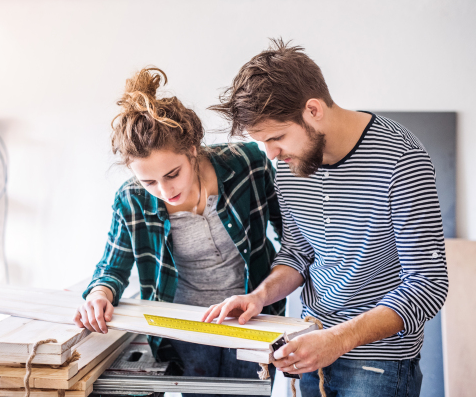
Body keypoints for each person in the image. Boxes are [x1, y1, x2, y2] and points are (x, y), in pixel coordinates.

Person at [203, 39, 449, 397]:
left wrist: (336, 340)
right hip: (309, 345)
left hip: (378, 365)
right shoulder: (290, 167)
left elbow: (427, 284)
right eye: (262, 143)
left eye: (277, 138)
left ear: (313, 110)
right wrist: (259, 295)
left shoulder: (402, 160)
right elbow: (298, 254)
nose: (271, 154)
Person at [73, 67, 285, 395]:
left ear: (192, 149)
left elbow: (292, 236)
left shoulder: (247, 164)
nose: (164, 190)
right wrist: (99, 295)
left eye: (173, 173)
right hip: (184, 325)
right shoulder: (132, 199)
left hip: (252, 320)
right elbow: (112, 268)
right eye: (149, 181)